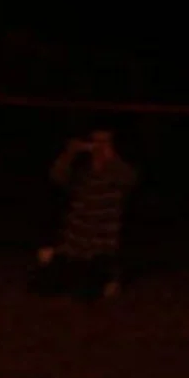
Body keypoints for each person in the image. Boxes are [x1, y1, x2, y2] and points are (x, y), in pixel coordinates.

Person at [32, 128, 137, 300]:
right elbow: (57, 176)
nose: (99, 147)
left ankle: (107, 281)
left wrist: (112, 158)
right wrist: (70, 153)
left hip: (101, 249)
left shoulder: (117, 176)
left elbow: (130, 180)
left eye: (105, 142)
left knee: (86, 290)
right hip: (74, 245)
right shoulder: (82, 173)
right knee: (43, 286)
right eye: (97, 142)